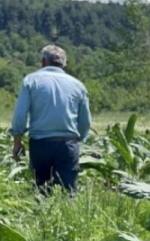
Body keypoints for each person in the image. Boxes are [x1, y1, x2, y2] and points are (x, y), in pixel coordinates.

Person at [10, 44, 91, 194]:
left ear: (43, 62)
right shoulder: (78, 85)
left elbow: (20, 114)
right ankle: (69, 217)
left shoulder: (31, 81)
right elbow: (85, 122)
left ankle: (41, 216)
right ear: (64, 65)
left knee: (41, 191)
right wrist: (77, 139)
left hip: (40, 144)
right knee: (69, 193)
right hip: (67, 144)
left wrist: (17, 141)